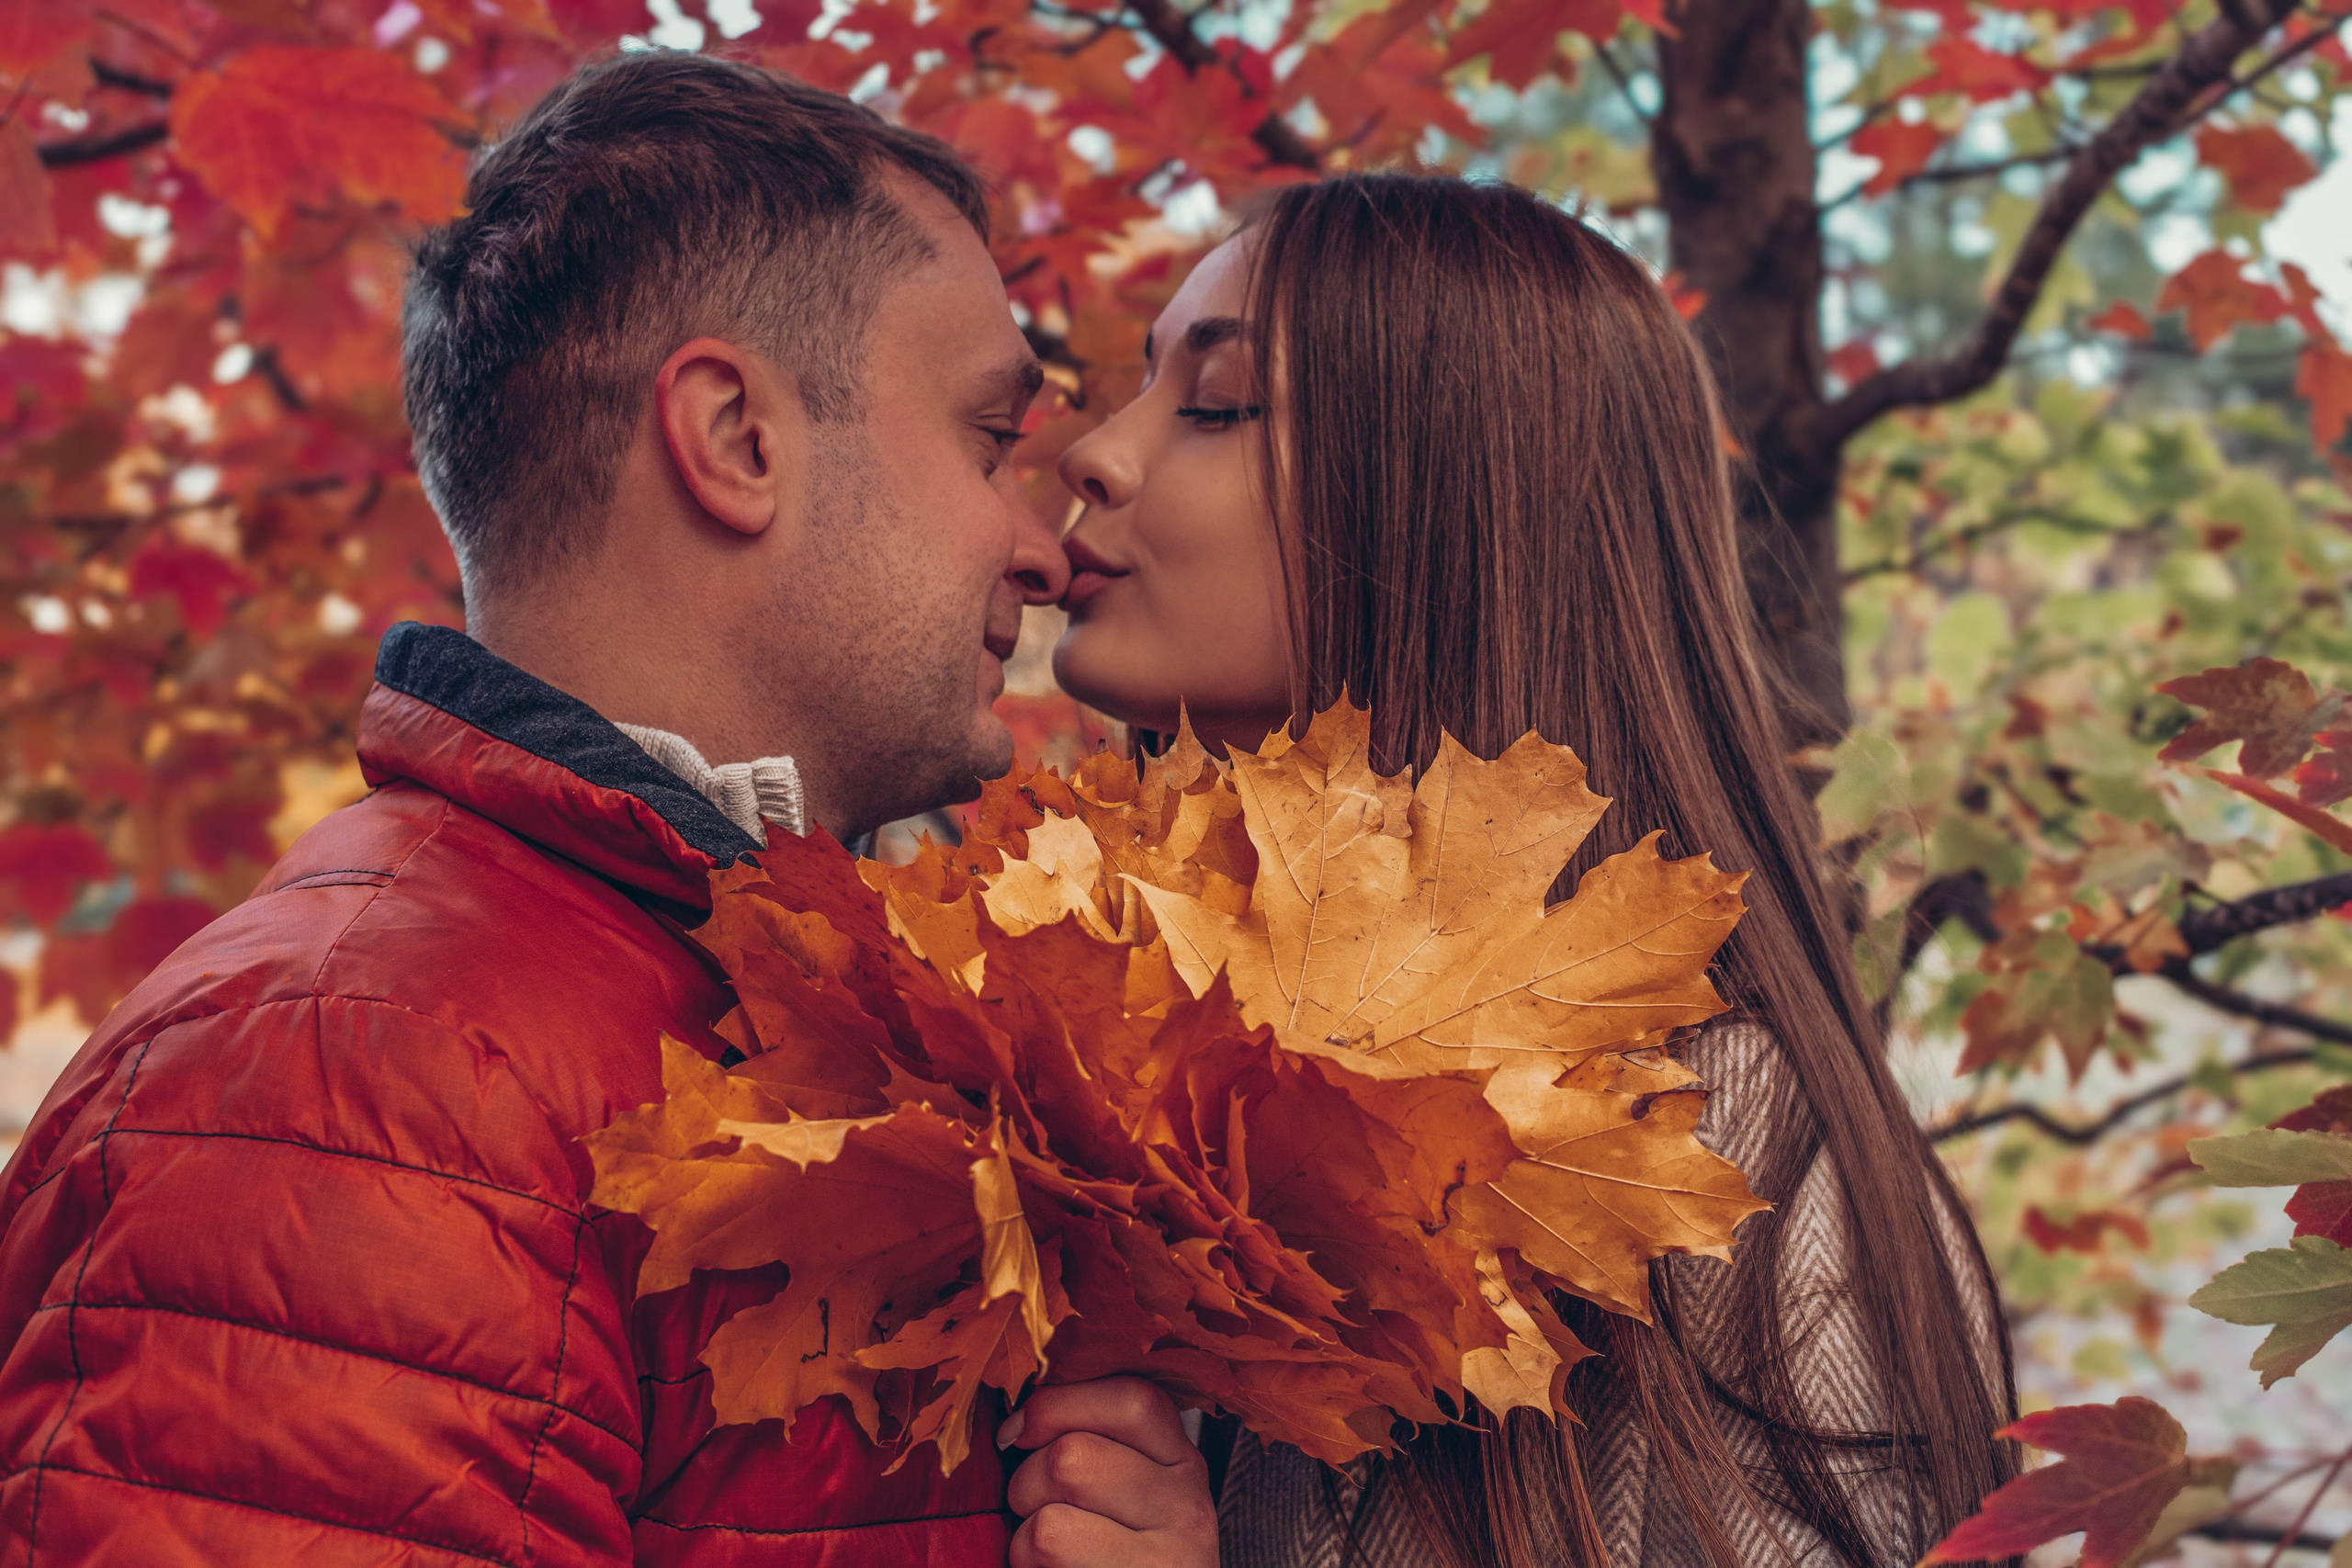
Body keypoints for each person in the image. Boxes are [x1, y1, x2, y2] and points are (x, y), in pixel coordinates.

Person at [0, 51, 1207, 1567]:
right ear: (737, 438)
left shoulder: (758, 1004)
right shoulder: (358, 1081)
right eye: (989, 440)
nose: (1040, 546)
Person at [1045, 174, 2019, 1566]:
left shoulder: (1723, 1163)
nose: (1094, 453)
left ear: (1444, 502)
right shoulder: (1130, 1072)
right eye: (1140, 388)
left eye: (1215, 405)